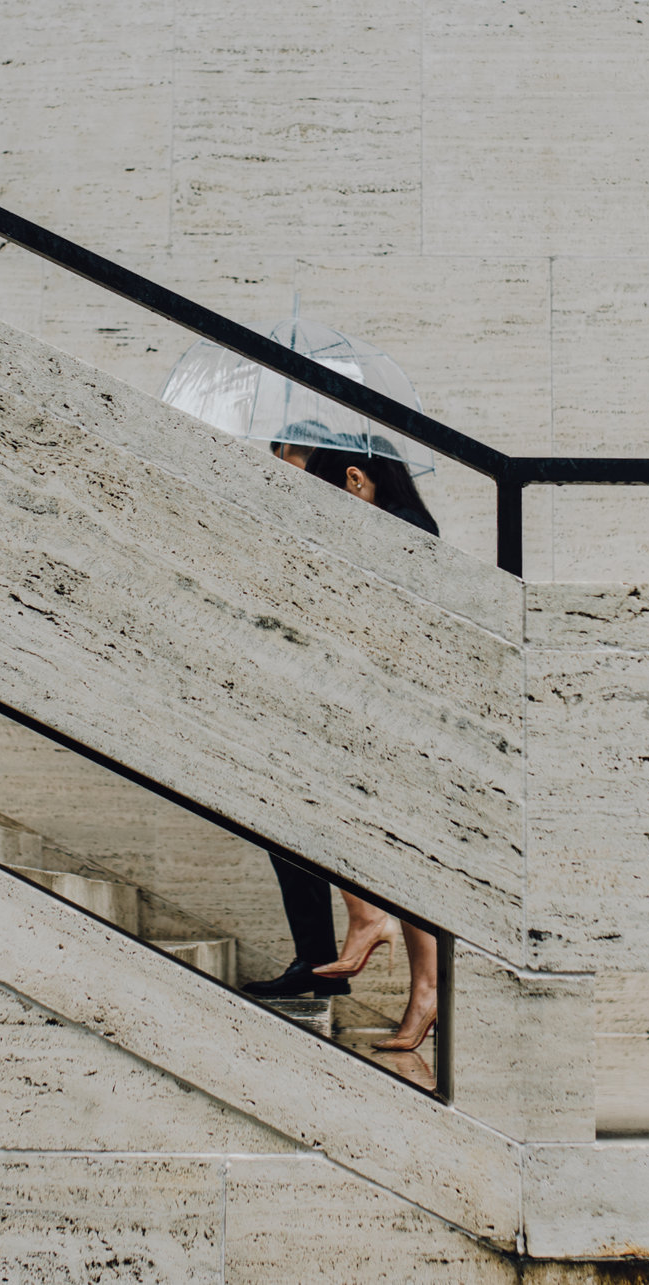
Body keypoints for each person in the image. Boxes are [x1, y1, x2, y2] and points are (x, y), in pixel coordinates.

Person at [238, 425, 444, 1053]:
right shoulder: (393, 531)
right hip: (386, 708)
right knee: (405, 859)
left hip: (395, 712)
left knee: (320, 802)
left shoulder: (398, 539)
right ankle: (425, 993)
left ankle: (366, 917)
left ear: (355, 480)